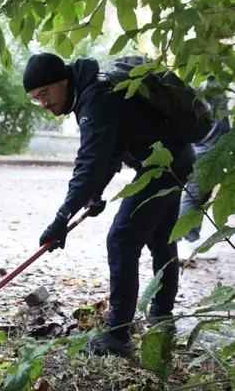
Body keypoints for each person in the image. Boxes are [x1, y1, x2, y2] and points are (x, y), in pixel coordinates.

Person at [23, 53, 195, 357]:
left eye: (45, 93)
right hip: (175, 159)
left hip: (162, 166)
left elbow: (90, 163)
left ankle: (117, 336)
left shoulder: (95, 101)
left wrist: (62, 217)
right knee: (161, 238)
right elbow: (112, 151)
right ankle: (162, 316)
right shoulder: (94, 92)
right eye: (36, 99)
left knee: (121, 240)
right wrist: (94, 194)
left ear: (63, 81)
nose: (44, 103)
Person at [176, 77, 231, 260]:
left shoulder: (208, 89)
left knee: (201, 196)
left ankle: (192, 237)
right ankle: (181, 239)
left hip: (211, 151)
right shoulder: (210, 89)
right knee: (194, 196)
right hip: (206, 151)